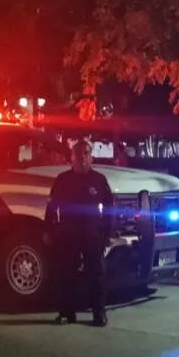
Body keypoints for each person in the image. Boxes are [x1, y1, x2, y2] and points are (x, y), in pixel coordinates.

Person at [46, 140, 114, 327]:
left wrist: (108, 233)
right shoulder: (62, 179)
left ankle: (99, 313)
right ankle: (67, 313)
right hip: (67, 234)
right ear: (72, 157)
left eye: (86, 153)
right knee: (66, 274)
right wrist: (49, 230)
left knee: (96, 274)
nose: (82, 157)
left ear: (91, 157)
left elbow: (109, 207)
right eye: (78, 153)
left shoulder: (99, 180)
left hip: (92, 233)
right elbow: (51, 207)